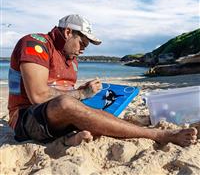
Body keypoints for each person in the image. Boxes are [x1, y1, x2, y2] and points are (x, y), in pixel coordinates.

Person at [8, 14, 197, 146]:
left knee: (102, 111)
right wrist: (81, 93)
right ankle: (158, 135)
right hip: (26, 119)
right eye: (82, 43)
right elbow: (38, 95)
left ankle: (69, 139)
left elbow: (65, 93)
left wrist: (83, 91)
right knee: (68, 104)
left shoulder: (71, 60)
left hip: (54, 120)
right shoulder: (35, 43)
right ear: (67, 33)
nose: (82, 50)